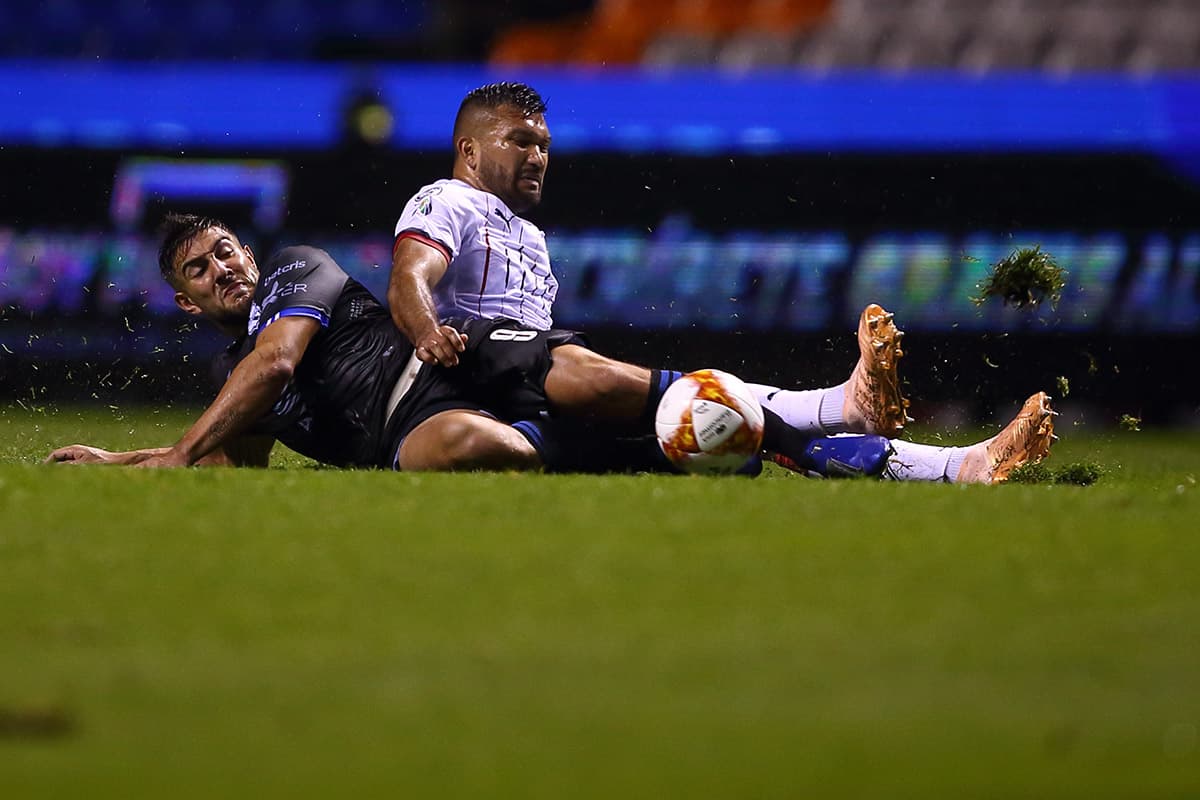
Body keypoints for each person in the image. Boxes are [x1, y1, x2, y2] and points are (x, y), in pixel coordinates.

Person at [47, 214, 1055, 485]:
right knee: (718, 433)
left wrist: (168, 453)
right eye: (199, 270)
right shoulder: (231, 377)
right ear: (183, 302)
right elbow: (229, 458)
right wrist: (123, 461)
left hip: (458, 359)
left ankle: (865, 420)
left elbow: (270, 372)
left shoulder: (292, 276)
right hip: (423, 429)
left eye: (223, 249)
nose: (222, 269)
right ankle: (914, 446)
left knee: (659, 399)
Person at [388, 81, 910, 450]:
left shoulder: (530, 235)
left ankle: (956, 465)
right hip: (470, 386)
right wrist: (428, 332)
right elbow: (409, 276)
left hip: (530, 391)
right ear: (468, 149)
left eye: (544, 145)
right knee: (687, 408)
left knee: (712, 436)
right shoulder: (447, 200)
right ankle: (838, 407)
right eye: (520, 141)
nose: (538, 157)